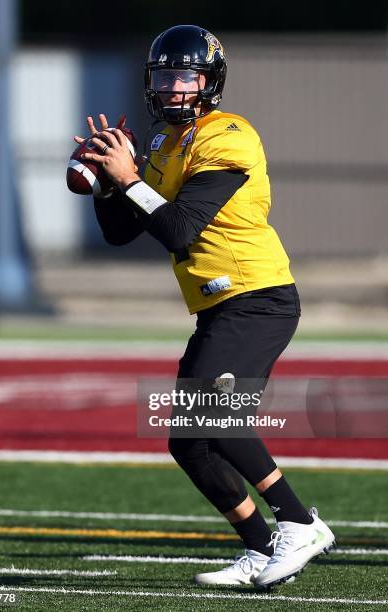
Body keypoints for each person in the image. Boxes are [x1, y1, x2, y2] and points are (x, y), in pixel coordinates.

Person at [74, 24, 335, 589]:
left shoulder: (230, 135)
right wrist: (105, 183)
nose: (171, 87)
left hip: (257, 296)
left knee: (214, 414)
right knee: (188, 440)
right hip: (219, 306)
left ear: (209, 81)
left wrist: (129, 179)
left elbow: (177, 229)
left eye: (184, 75)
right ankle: (263, 550)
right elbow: (122, 231)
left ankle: (299, 523)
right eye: (163, 75)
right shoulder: (165, 144)